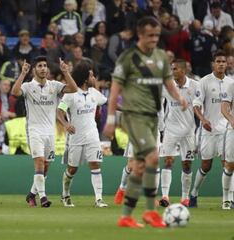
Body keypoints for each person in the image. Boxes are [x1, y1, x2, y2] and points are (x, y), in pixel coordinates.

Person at [103, 16, 187, 228]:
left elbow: (168, 83)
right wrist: (111, 120)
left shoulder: (160, 56)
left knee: (140, 167)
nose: (154, 39)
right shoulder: (128, 58)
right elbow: (114, 92)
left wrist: (179, 98)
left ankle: (126, 216)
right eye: (150, 35)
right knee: (153, 157)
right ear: (140, 34)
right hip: (134, 117)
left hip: (153, 118)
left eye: (157, 35)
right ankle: (151, 211)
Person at [11, 56, 78, 208]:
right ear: (34, 69)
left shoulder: (54, 86)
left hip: (50, 132)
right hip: (34, 130)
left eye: (45, 66)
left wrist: (66, 72)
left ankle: (31, 195)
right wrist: (22, 74)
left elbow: (73, 89)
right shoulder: (28, 86)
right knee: (39, 163)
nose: (43, 68)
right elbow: (15, 92)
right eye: (39, 66)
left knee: (46, 166)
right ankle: (43, 198)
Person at [57, 61, 107, 207]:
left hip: (92, 136)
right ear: (85, 78)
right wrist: (66, 124)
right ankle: (65, 194)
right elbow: (59, 112)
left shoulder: (94, 93)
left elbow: (108, 103)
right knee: (72, 169)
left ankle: (99, 199)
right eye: (92, 76)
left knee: (95, 164)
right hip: (76, 137)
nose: (94, 79)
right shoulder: (71, 95)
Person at [190, 50, 234, 209]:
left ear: (227, 64)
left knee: (228, 164)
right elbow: (196, 104)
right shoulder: (204, 81)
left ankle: (228, 200)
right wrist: (203, 120)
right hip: (208, 130)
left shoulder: (231, 83)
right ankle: (194, 193)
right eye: (218, 61)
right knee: (206, 165)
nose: (221, 64)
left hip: (226, 130)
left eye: (224, 61)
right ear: (213, 64)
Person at [159, 59, 199, 207]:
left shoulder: (195, 86)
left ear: (183, 70)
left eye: (174, 69)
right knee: (168, 161)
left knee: (187, 164)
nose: (172, 72)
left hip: (189, 131)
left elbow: (200, 105)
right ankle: (165, 197)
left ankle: (185, 197)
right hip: (170, 130)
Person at [221, 71, 234, 209]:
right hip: (233, 130)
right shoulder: (231, 86)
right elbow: (224, 106)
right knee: (230, 165)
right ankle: (226, 199)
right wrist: (231, 119)